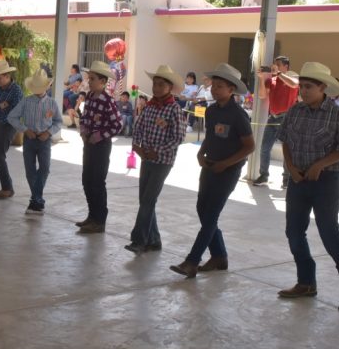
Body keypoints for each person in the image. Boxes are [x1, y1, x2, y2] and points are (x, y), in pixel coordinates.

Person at [276, 62, 339, 311]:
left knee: (329, 233)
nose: (303, 91)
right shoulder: (295, 111)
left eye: (309, 87)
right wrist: (291, 168)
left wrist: (320, 166)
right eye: (301, 86)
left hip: (326, 181)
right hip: (298, 179)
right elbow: (286, 141)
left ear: (323, 88)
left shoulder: (337, 114)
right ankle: (306, 282)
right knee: (294, 232)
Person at [170, 63, 254, 277]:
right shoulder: (211, 110)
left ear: (231, 89)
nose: (214, 90)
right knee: (202, 209)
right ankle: (219, 256)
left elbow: (249, 146)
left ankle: (192, 261)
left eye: (219, 86)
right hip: (210, 165)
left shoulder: (239, 115)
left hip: (228, 170)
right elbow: (210, 136)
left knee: (211, 214)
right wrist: (201, 153)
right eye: (213, 85)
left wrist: (227, 163)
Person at [126, 65, 185, 254]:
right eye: (155, 84)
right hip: (146, 157)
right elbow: (139, 127)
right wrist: (136, 145)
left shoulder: (174, 109)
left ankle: (139, 240)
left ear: (170, 87)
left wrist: (157, 151)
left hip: (163, 161)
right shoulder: (149, 106)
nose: (156, 88)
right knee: (145, 199)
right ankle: (154, 240)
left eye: (161, 85)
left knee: (148, 199)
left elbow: (178, 137)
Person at [76, 61, 123, 234]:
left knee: (97, 182)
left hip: (101, 146)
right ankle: (92, 215)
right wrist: (83, 131)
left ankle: (99, 220)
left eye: (93, 79)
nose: (89, 82)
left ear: (103, 81)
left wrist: (98, 136)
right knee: (87, 180)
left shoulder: (107, 101)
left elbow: (117, 125)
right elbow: (84, 117)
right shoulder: (89, 97)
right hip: (88, 144)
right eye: (89, 78)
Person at [8, 69, 61, 215]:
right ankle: (37, 201)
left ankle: (36, 200)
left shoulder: (52, 103)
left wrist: (48, 132)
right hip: (29, 139)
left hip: (45, 140)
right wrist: (25, 130)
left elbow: (58, 121)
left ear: (47, 87)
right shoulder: (25, 101)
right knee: (30, 170)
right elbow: (12, 117)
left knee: (45, 168)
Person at [254, 56, 298, 188]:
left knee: (287, 150)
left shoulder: (292, 77)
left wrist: (278, 74)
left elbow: (294, 84)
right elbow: (262, 95)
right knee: (265, 148)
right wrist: (262, 79)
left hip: (287, 118)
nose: (275, 66)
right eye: (274, 64)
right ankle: (264, 175)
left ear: (286, 67)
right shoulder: (271, 80)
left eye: (278, 64)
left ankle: (287, 179)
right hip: (273, 117)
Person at [0, 59, 23, 199]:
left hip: (8, 126)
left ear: (7, 76)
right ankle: (6, 187)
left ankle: (7, 188)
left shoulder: (16, 90)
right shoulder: (0, 88)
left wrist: (0, 119)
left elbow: (17, 111)